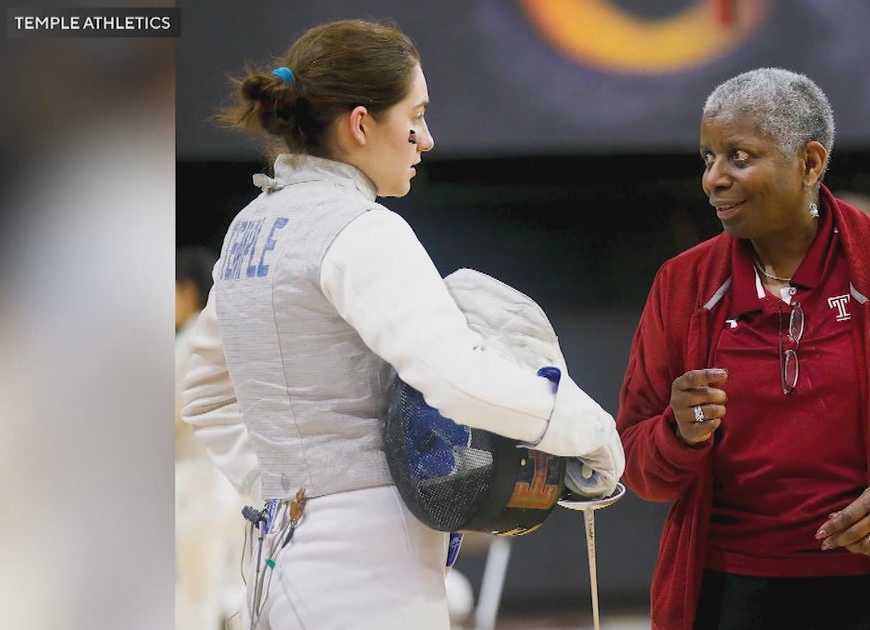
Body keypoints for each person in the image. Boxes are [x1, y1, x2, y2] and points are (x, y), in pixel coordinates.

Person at [179, 19, 624, 630]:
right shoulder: (361, 230)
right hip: (368, 572)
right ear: (361, 124)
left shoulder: (250, 227)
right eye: (415, 116)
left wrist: (284, 490)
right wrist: (585, 427)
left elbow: (201, 390)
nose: (426, 139)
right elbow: (456, 376)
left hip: (280, 556)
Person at [616, 67, 870, 629]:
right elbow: (637, 462)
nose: (714, 179)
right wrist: (677, 434)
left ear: (809, 163)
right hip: (728, 597)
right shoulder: (682, 284)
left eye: (739, 156)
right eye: (707, 158)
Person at [175, 245, 247, 630]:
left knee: (192, 598)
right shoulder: (229, 341)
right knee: (235, 591)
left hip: (194, 479)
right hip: (234, 480)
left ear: (186, 291)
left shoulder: (185, 344)